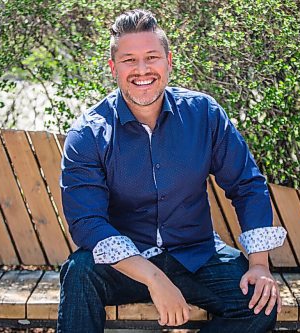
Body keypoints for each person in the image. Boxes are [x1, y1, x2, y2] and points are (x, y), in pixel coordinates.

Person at [58, 9, 287, 333]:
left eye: (151, 57)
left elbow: (247, 184)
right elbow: (87, 223)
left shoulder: (204, 115)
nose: (142, 70)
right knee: (79, 272)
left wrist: (260, 265)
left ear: (169, 61)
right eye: (129, 60)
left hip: (197, 256)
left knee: (259, 302)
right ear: (113, 68)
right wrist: (154, 278)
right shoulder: (89, 133)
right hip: (125, 264)